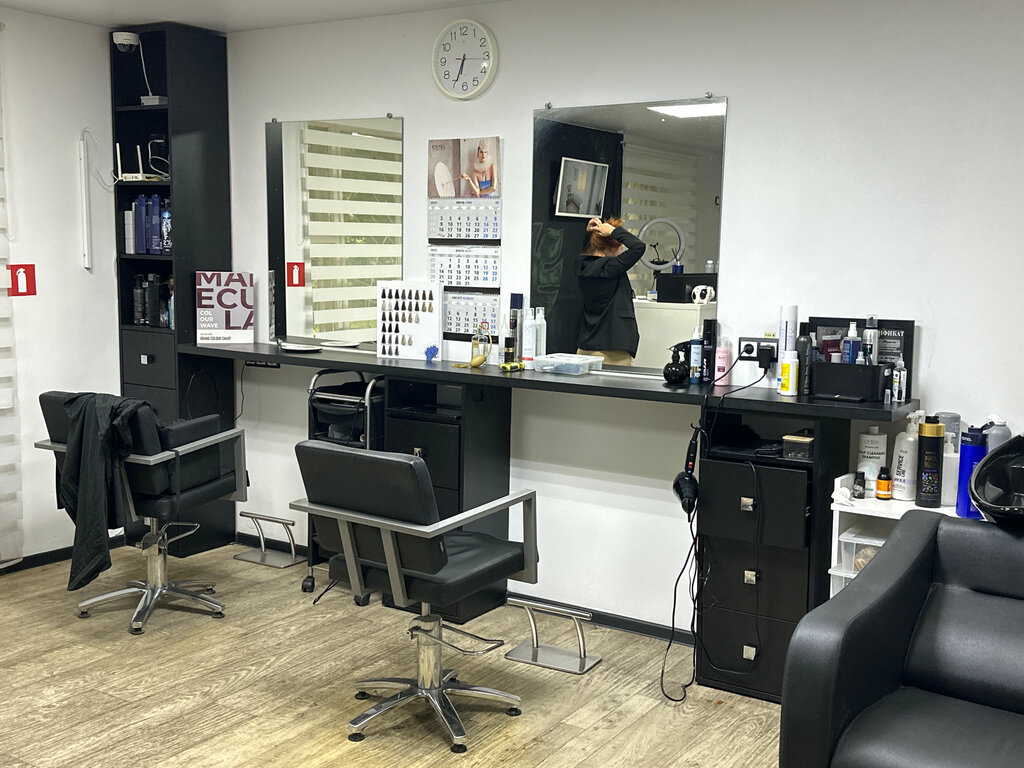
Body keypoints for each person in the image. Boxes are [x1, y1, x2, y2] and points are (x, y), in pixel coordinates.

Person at [576, 216, 646, 366]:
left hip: (585, 348)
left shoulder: (582, 266)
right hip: (612, 351)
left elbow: (590, 252)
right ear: (609, 247)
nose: (621, 251)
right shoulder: (609, 268)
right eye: (620, 247)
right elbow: (638, 247)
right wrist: (614, 232)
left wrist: (590, 235)